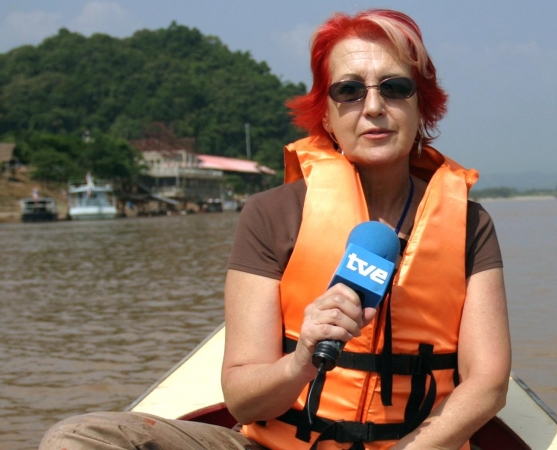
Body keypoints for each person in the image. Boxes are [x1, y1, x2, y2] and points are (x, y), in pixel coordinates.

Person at [39, 9, 510, 450]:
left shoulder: (470, 225)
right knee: (79, 437)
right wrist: (303, 355)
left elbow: (487, 383)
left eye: (394, 87)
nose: (373, 107)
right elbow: (243, 400)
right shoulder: (271, 214)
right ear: (325, 114)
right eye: (348, 90)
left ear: (422, 106)